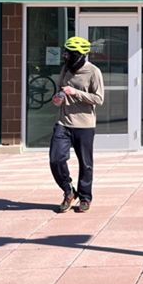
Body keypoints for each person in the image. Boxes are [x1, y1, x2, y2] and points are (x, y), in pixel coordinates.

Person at [49, 36, 103, 213]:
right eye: (65, 53)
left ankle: (85, 197)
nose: (66, 56)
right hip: (63, 122)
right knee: (56, 159)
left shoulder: (93, 72)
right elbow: (61, 90)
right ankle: (69, 191)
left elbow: (99, 99)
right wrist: (58, 97)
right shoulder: (65, 69)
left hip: (85, 124)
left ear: (80, 55)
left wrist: (75, 92)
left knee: (85, 163)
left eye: (69, 53)